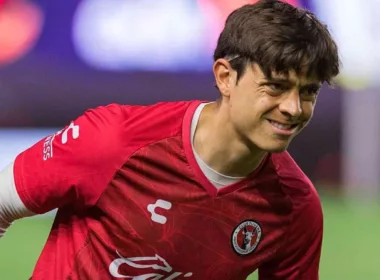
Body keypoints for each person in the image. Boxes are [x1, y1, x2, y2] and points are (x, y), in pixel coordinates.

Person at [0, 0, 340, 279]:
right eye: (276, 87)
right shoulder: (114, 141)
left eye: (308, 92)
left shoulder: (295, 207)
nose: (294, 108)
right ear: (225, 77)